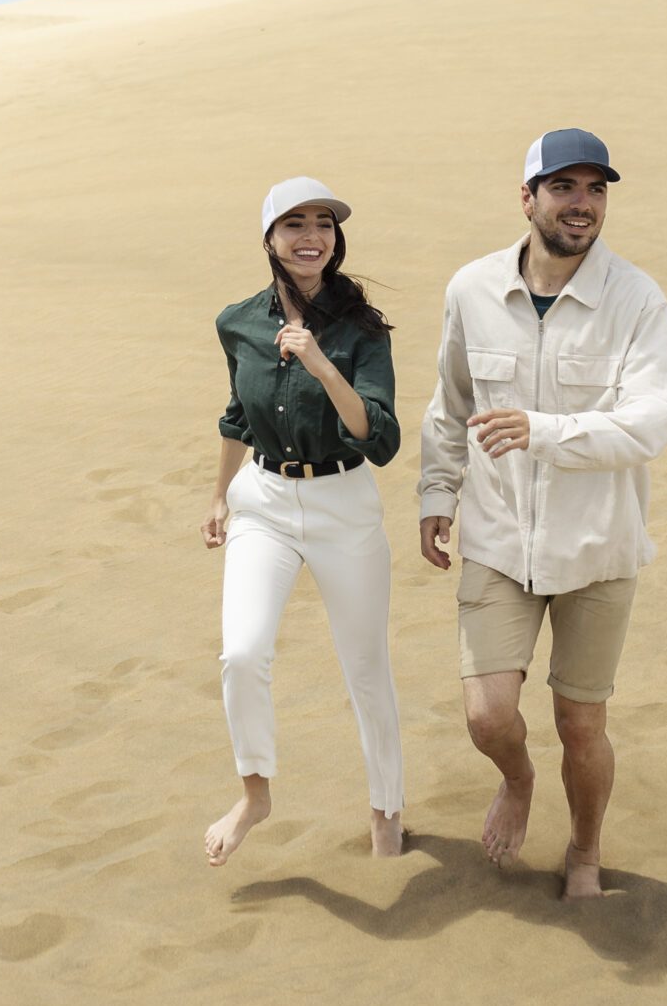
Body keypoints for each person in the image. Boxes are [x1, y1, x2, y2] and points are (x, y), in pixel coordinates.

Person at [417, 129, 667, 900]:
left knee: (581, 723)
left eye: (595, 189)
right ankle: (517, 778)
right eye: (564, 187)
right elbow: (451, 406)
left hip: (598, 550)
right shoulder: (471, 288)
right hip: (499, 541)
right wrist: (437, 494)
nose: (582, 204)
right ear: (528, 197)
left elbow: (658, 417)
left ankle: (585, 851)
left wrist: (546, 432)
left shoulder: (636, 299)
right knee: (488, 715)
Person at [200, 176, 407, 866]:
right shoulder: (238, 322)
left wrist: (321, 364)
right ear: (269, 237)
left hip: (343, 505)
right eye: (294, 224)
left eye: (323, 223)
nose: (311, 236)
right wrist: (220, 495)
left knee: (366, 669)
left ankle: (386, 808)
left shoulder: (362, 330)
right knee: (242, 653)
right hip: (263, 501)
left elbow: (378, 438)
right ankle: (255, 794)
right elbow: (237, 414)